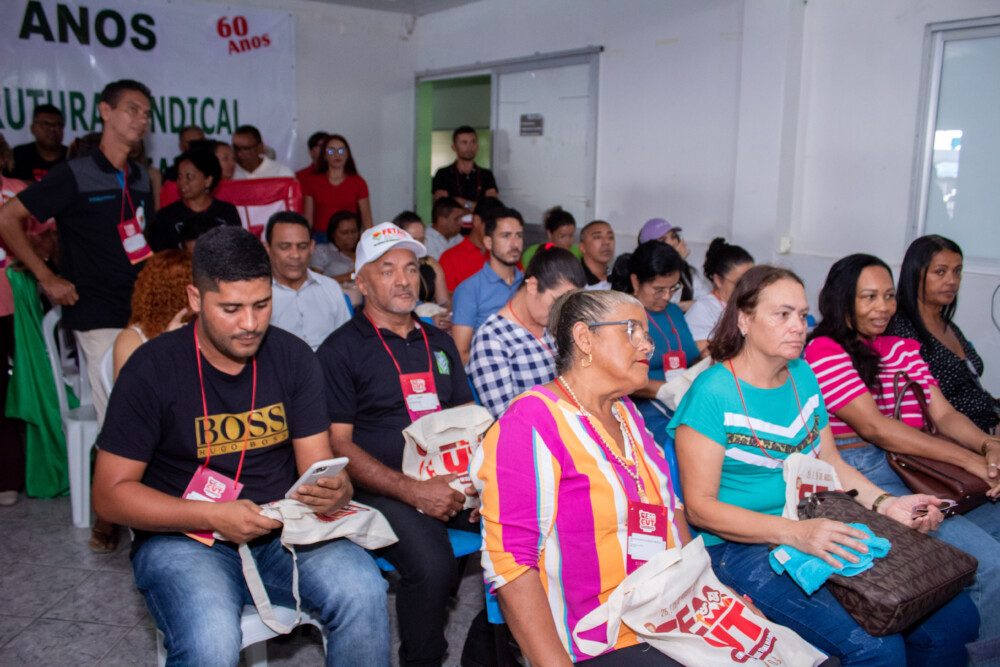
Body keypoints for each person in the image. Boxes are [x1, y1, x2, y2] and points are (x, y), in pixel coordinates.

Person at [92, 226, 389, 666]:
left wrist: (337, 488)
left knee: (363, 591)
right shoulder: (152, 368)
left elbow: (317, 465)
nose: (250, 324)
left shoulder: (293, 358)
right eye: (231, 309)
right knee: (210, 637)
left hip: (280, 529)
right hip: (183, 535)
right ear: (196, 299)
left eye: (261, 305)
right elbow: (109, 495)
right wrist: (212, 515)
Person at [671, 264, 978, 665]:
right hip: (741, 545)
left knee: (955, 618)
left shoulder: (802, 375)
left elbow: (830, 460)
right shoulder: (713, 393)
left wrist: (886, 504)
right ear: (744, 320)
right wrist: (796, 533)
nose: (798, 326)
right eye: (782, 315)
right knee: (877, 649)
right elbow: (700, 509)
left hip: (812, 521)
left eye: (802, 315)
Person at [474, 289, 691, 665]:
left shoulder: (626, 412)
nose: (647, 345)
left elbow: (671, 511)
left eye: (647, 336)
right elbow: (511, 566)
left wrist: (712, 600)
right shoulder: (531, 422)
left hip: (665, 613)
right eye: (632, 331)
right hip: (600, 634)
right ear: (584, 338)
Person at [803, 253, 1000, 641]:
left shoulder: (902, 347)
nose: (883, 307)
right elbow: (877, 429)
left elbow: (944, 415)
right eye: (869, 297)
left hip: (922, 464)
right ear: (842, 300)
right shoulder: (824, 349)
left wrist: (988, 446)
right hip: (870, 471)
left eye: (889, 296)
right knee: (988, 564)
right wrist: (971, 462)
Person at [319, 222, 478, 666]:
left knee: (531, 526)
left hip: (447, 477)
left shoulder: (439, 341)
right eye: (387, 270)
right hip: (377, 487)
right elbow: (337, 445)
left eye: (410, 268)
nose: (404, 280)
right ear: (361, 282)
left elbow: (469, 421)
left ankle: (490, 652)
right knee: (432, 567)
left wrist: (478, 482)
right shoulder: (340, 351)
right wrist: (413, 491)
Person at [0, 79, 155, 423]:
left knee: (154, 410)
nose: (142, 119)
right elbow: (7, 218)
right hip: (97, 311)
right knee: (120, 417)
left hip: (142, 309)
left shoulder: (141, 177)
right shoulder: (74, 174)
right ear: (105, 111)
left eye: (147, 114)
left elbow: (142, 241)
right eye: (132, 109)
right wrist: (46, 277)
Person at [91, 250, 193, 554]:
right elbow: (132, 406)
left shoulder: (207, 332)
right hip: (153, 437)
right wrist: (169, 347)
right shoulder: (132, 338)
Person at [889, 235, 999, 433]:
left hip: (990, 420)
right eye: (940, 272)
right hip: (961, 435)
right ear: (915, 274)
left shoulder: (948, 326)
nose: (952, 280)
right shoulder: (902, 332)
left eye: (957, 271)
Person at [610, 241, 699, 486]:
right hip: (642, 406)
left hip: (683, 400)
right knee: (682, 447)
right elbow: (618, 376)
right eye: (659, 289)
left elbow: (690, 355)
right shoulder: (621, 317)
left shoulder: (674, 312)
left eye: (673, 288)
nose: (667, 296)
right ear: (636, 281)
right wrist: (666, 389)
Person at [467, 246, 584, 417]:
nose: (561, 310)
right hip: (535, 430)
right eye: (558, 301)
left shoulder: (554, 324)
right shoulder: (493, 338)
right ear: (533, 286)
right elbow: (505, 417)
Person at [264, 211, 351, 351]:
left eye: (302, 246)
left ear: (311, 247)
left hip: (328, 364)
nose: (295, 255)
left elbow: (347, 341)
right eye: (285, 247)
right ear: (267, 248)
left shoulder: (330, 287)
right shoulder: (258, 294)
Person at [451, 205, 525, 365]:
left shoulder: (529, 284)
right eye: (506, 236)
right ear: (488, 242)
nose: (514, 244)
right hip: (489, 371)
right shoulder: (469, 289)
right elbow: (461, 354)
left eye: (518, 236)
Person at [148, 148, 241, 251]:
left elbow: (237, 250)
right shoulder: (166, 216)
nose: (182, 182)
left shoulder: (227, 212)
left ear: (208, 181)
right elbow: (161, 256)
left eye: (189, 177)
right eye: (179, 176)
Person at [685, 237, 754, 353]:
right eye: (739, 283)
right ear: (718, 280)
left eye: (751, 280)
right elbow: (707, 354)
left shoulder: (752, 303)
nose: (747, 287)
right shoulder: (703, 310)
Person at [302, 134, 372, 238]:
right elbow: (308, 219)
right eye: (331, 151)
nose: (337, 155)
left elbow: (367, 220)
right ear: (324, 156)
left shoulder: (358, 182)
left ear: (347, 154)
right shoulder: (312, 182)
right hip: (321, 238)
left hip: (349, 237)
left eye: (341, 150)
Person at [637, 218, 710, 311]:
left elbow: (707, 301)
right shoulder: (642, 275)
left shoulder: (688, 272)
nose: (672, 243)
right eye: (662, 240)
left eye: (673, 237)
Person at [439, 196, 504, 293]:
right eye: (492, 226)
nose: (497, 231)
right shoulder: (450, 258)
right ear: (477, 221)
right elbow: (447, 298)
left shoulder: (505, 254)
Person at [431, 125, 498, 209]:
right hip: (457, 219)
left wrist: (461, 202)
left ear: (477, 147)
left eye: (473, 142)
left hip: (480, 218)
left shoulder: (486, 175)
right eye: (464, 142)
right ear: (454, 147)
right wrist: (477, 206)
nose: (469, 147)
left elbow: (493, 205)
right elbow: (442, 206)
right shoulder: (443, 174)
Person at [393, 211, 449, 309]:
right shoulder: (389, 267)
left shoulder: (431, 263)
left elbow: (444, 303)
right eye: (413, 240)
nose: (418, 245)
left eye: (422, 240)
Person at [9, 104, 68, 183]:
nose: (52, 129)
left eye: (58, 125)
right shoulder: (18, 156)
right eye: (45, 124)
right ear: (33, 128)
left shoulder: (73, 156)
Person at [310, 210, 361, 282]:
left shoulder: (364, 252)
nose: (350, 236)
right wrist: (352, 275)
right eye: (344, 233)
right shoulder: (322, 251)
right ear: (333, 233)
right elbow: (315, 282)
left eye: (354, 231)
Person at [578, 219, 615, 289]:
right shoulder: (574, 282)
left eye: (611, 237)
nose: (607, 242)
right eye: (597, 237)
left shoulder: (619, 280)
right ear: (582, 247)